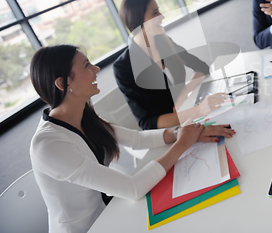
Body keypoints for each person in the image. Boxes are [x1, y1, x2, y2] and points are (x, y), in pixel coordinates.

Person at [29, 44, 235, 233]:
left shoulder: (82, 114)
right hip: (90, 227)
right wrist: (182, 143)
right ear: (62, 83)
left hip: (113, 213)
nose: (96, 68)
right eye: (86, 65)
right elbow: (132, 188)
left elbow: (136, 139)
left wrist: (182, 133)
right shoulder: (48, 145)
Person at [113, 0, 227, 130]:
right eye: (155, 13)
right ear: (137, 20)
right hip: (171, 130)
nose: (162, 16)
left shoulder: (163, 42)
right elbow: (147, 123)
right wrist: (197, 111)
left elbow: (202, 67)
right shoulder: (123, 67)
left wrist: (184, 93)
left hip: (191, 112)